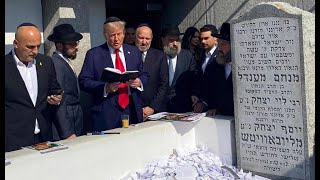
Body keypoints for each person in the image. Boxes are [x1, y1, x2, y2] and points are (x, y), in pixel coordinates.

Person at [78, 17, 148, 131]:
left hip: (132, 108)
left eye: (119, 34)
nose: (116, 39)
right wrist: (105, 87)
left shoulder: (134, 52)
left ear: (124, 34)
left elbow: (145, 74)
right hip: (106, 111)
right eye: (112, 35)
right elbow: (83, 80)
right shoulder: (94, 54)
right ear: (105, 35)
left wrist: (139, 82)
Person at [5, 23, 62, 152]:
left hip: (44, 137)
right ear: (15, 43)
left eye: (38, 46)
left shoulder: (46, 62)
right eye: (30, 47)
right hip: (13, 141)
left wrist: (57, 98)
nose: (35, 51)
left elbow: (55, 89)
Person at [47, 23, 84, 140]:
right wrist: (67, 132)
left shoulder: (64, 61)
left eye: (76, 43)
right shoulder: (57, 64)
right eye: (72, 44)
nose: (76, 47)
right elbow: (59, 101)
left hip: (74, 118)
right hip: (66, 124)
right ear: (59, 45)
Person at [161, 26, 200, 113]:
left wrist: (194, 94)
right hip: (160, 107)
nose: (175, 43)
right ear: (163, 40)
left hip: (182, 107)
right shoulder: (156, 57)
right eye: (171, 40)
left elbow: (194, 79)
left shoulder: (188, 57)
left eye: (177, 40)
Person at [135, 24, 169, 120]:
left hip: (154, 111)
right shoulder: (126, 54)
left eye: (147, 38)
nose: (144, 42)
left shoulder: (160, 56)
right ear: (135, 37)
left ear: (151, 39)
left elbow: (164, 84)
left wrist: (152, 107)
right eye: (141, 38)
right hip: (132, 109)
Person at [206, 22, 234, 116]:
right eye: (219, 43)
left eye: (224, 44)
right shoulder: (212, 67)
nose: (219, 48)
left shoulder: (244, 68)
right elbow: (208, 92)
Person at [193, 24, 219, 113]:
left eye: (206, 38)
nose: (203, 41)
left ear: (215, 38)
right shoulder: (202, 55)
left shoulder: (221, 55)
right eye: (201, 39)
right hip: (203, 107)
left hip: (216, 108)